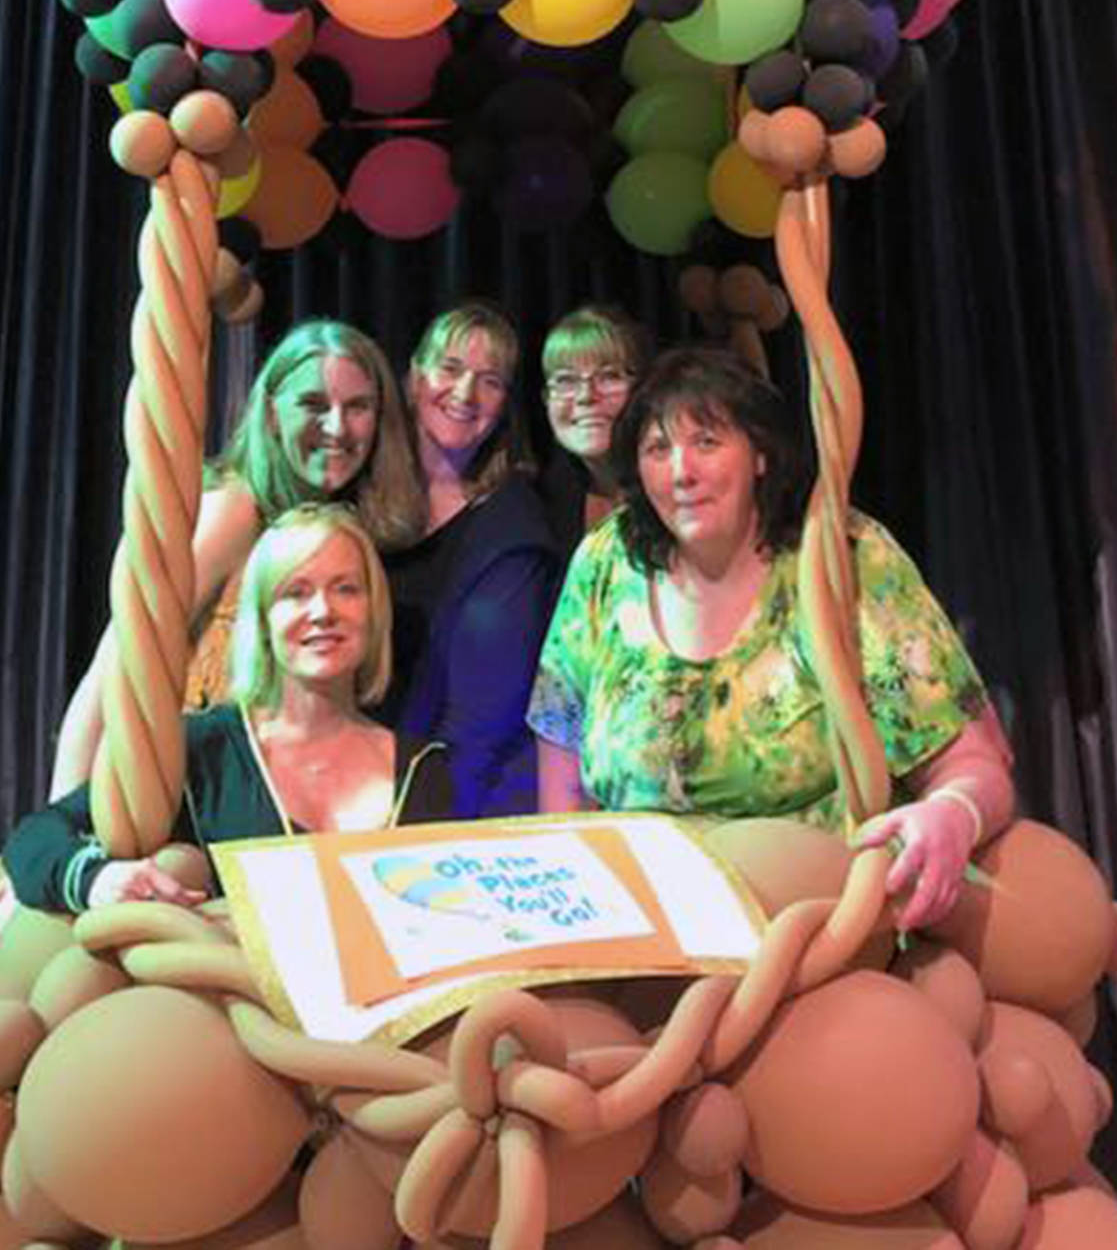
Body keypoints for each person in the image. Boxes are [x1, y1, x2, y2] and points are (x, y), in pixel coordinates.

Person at [527, 347, 1014, 930]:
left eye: (707, 442)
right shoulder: (607, 561)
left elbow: (978, 766)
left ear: (759, 453)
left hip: (819, 929)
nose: (682, 471)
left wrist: (952, 813)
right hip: (646, 929)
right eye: (659, 449)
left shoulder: (842, 557)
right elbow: (562, 771)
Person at [4, 506, 452, 913]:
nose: (322, 611)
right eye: (295, 592)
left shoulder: (423, 767)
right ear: (261, 621)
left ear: (373, 611)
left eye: (346, 589)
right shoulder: (199, 747)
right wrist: (94, 879)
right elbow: (36, 838)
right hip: (232, 997)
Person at [47, 320, 421, 798]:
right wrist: (58, 836)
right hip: (184, 799)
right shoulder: (234, 511)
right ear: (270, 413)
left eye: (358, 407)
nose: (336, 427)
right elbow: (116, 666)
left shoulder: (343, 532)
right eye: (312, 404)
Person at [381, 303, 562, 818]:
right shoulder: (360, 497)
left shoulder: (512, 527)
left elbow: (480, 727)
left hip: (445, 798)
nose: (465, 393)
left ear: (505, 403)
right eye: (450, 368)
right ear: (415, 377)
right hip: (352, 781)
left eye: (490, 381)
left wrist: (411, 822)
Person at [536, 305, 651, 560]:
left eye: (609, 376)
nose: (587, 396)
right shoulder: (541, 504)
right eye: (566, 380)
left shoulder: (677, 491)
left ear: (642, 390)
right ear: (546, 400)